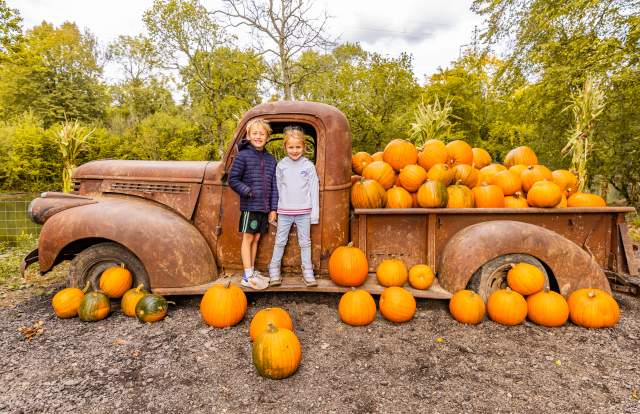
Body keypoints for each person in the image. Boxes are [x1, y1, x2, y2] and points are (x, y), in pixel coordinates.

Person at [228, 118, 278, 290]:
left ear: (267, 137)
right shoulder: (243, 156)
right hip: (250, 205)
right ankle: (247, 275)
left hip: (264, 207)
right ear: (248, 136)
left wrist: (273, 208)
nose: (258, 137)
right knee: (248, 238)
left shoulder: (271, 160)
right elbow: (233, 179)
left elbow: (274, 186)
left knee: (256, 238)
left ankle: (251, 271)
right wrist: (248, 191)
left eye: (262, 134)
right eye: (254, 133)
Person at [269, 125, 320, 287]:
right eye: (291, 147)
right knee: (280, 241)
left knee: (305, 242)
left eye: (298, 147)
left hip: (304, 211)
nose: (294, 150)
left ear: (304, 147)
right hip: (284, 211)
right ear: (285, 147)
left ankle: (307, 271)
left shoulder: (308, 166)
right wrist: (275, 210)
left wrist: (314, 214)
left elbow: (314, 189)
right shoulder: (281, 166)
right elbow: (277, 188)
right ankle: (274, 269)